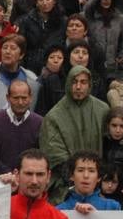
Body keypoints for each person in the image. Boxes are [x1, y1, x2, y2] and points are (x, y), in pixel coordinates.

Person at [41, 65, 109, 202]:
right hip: (65, 187)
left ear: (89, 85)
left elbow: (110, 145)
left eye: (83, 82)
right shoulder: (54, 116)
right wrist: (76, 177)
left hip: (99, 183)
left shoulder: (102, 110)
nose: (78, 87)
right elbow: (54, 153)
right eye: (74, 82)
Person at [0, 79, 42, 175]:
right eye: (16, 98)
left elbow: (41, 155)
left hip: (30, 179)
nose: (20, 102)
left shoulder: (40, 123)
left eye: (24, 98)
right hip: (0, 179)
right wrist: (8, 173)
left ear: (30, 98)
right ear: (8, 98)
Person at [83, 0, 123, 85]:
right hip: (93, 68)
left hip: (115, 67)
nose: (106, 0)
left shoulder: (120, 18)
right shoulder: (88, 18)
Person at [16, 0, 65, 74]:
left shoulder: (63, 21)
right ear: (36, 2)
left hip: (56, 67)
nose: (45, 3)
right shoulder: (26, 21)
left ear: (54, 1)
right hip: (31, 68)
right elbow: (22, 46)